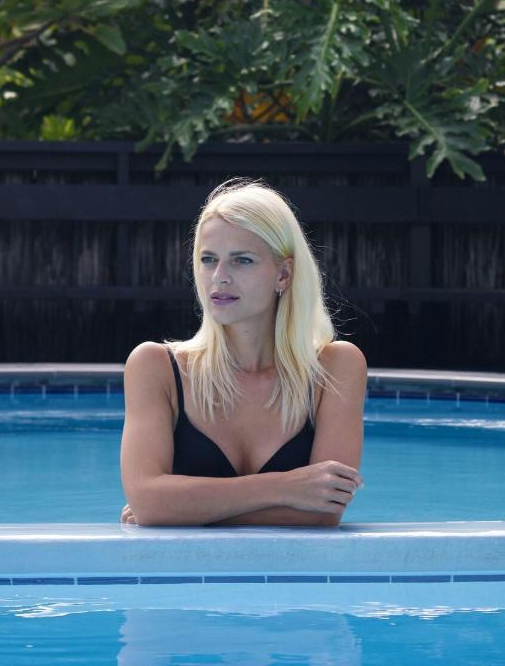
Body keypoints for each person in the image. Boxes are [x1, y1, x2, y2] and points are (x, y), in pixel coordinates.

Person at [120, 178, 367, 526]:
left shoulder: (336, 367)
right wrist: (287, 488)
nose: (219, 277)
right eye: (208, 259)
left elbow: (324, 513)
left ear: (283, 274)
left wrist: (183, 508)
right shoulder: (155, 367)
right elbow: (150, 504)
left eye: (242, 261)